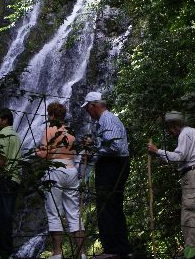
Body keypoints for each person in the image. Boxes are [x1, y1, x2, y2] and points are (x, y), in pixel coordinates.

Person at [147, 111, 195, 259]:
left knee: (190, 216)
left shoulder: (184, 134)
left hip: (193, 176)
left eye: (169, 129)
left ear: (174, 126)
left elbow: (179, 156)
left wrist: (157, 151)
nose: (170, 132)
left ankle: (190, 254)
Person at [81, 91, 133, 259]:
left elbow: (114, 147)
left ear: (93, 106)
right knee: (114, 206)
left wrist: (95, 149)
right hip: (117, 165)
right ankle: (121, 247)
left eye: (87, 109)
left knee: (106, 206)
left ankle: (111, 249)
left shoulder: (107, 119)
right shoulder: (110, 118)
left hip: (112, 166)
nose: (87, 113)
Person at [35, 102, 86, 259]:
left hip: (55, 170)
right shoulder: (70, 132)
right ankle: (82, 254)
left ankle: (57, 254)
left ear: (51, 115)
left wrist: (37, 152)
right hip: (71, 170)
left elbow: (46, 155)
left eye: (48, 115)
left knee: (54, 212)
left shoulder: (50, 130)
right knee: (74, 213)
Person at [0, 108, 22, 259]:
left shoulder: (3, 135)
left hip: (5, 179)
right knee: (7, 216)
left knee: (1, 216)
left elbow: (1, 160)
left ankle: (1, 252)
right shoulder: (15, 135)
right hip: (15, 179)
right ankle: (7, 251)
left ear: (5, 120)